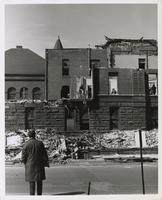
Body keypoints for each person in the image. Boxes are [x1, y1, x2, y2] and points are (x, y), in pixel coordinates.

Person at [21, 129, 49, 195]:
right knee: (39, 182)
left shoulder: (26, 144)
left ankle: (32, 196)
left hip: (30, 165)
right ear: (34, 135)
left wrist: (25, 163)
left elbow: (23, 157)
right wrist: (46, 162)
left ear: (28, 136)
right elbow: (44, 154)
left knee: (32, 182)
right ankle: (39, 196)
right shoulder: (40, 143)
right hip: (39, 165)